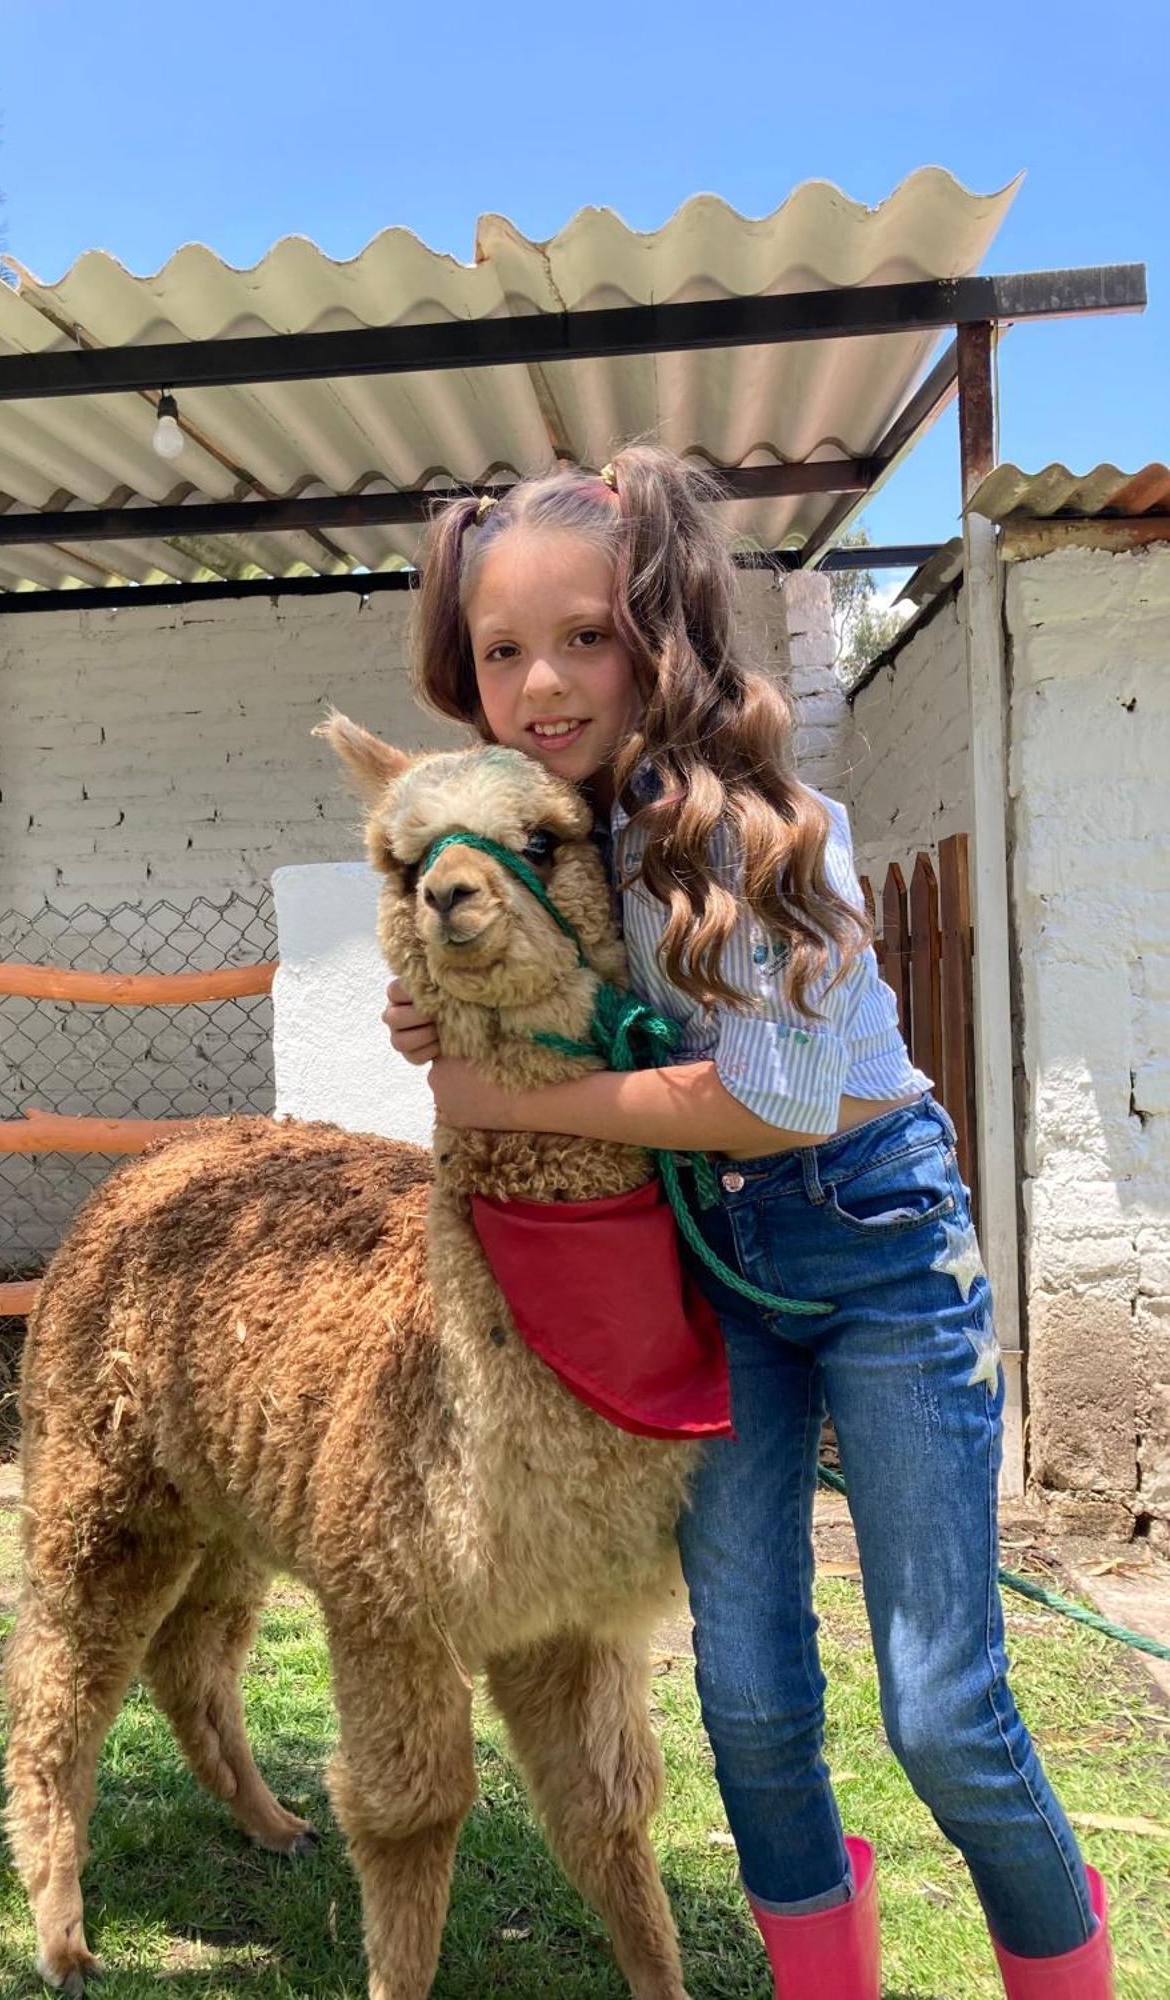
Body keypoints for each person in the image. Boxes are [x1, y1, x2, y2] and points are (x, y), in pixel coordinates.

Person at [381, 446, 1113, 2000]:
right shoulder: (553, 845)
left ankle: (1062, 1962)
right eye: (503, 653)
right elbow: (540, 1016)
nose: (542, 685)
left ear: (661, 631)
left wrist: (513, 1107)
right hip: (708, 1266)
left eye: (583, 637)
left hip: (873, 1244)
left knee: (940, 1708)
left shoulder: (759, 829)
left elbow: (772, 1101)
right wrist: (437, 1014)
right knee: (754, 1701)